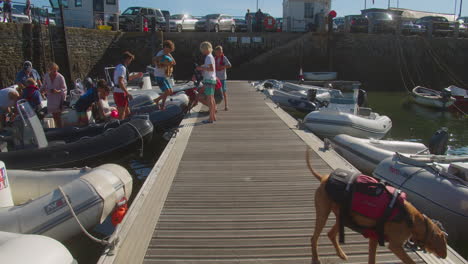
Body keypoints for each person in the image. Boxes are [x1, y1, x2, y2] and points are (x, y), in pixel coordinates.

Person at [113, 51, 143, 120]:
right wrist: (127, 93)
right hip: (119, 92)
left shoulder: (121, 67)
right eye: (130, 60)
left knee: (127, 112)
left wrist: (137, 75)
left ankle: (126, 123)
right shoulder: (122, 68)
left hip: (120, 92)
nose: (130, 62)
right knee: (122, 113)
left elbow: (127, 78)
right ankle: (120, 126)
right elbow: (120, 82)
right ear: (127, 59)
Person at [196, 41, 217, 123]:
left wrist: (201, 68)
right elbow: (211, 68)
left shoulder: (208, 57)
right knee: (212, 99)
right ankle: (213, 117)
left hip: (209, 80)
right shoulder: (211, 56)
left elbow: (211, 69)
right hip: (212, 80)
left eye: (202, 49)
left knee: (209, 100)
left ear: (205, 49)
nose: (202, 51)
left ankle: (210, 118)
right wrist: (203, 66)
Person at [152, 40, 176, 110]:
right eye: (169, 50)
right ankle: (157, 101)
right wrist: (165, 64)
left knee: (170, 91)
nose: (169, 52)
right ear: (165, 47)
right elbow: (157, 64)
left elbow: (174, 63)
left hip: (164, 76)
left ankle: (162, 105)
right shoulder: (160, 54)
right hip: (159, 76)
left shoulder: (167, 54)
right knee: (167, 91)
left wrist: (169, 56)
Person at [42, 62, 67, 128]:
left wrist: (57, 91)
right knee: (54, 116)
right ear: (49, 70)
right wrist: (41, 90)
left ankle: (60, 129)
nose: (54, 72)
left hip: (58, 98)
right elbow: (44, 85)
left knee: (58, 116)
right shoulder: (46, 76)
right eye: (52, 71)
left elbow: (64, 89)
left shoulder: (60, 77)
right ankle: (58, 129)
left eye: (55, 71)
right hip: (50, 98)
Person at [214, 46, 232, 111]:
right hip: (215, 78)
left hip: (222, 78)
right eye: (218, 52)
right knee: (215, 93)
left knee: (224, 92)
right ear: (215, 52)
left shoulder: (224, 58)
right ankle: (215, 107)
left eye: (221, 51)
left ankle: (226, 105)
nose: (220, 53)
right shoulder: (214, 58)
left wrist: (222, 67)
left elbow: (229, 65)